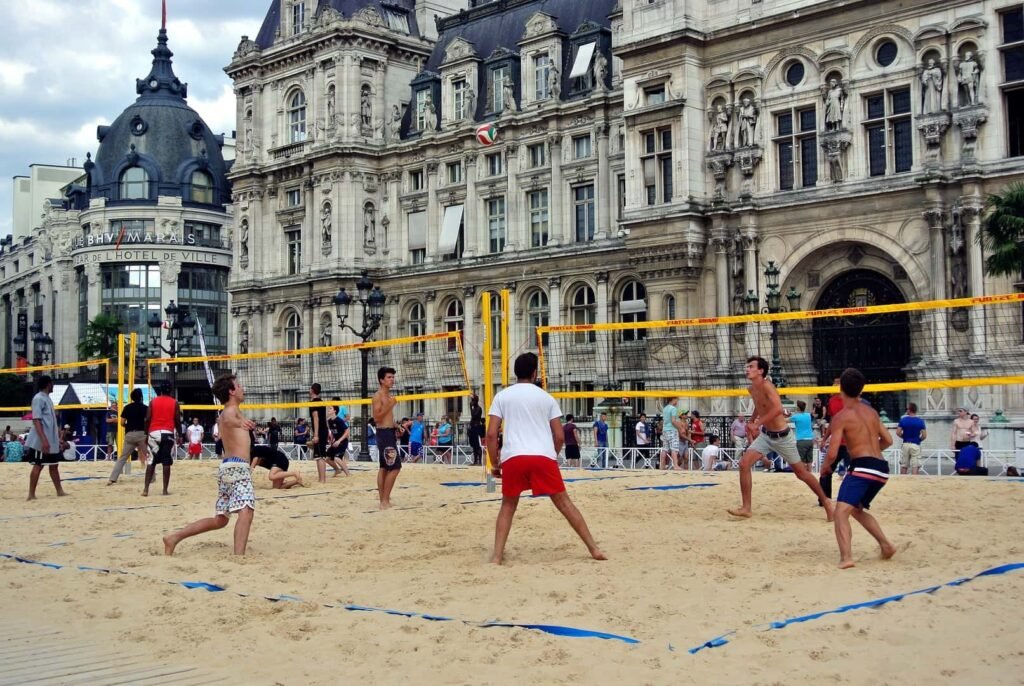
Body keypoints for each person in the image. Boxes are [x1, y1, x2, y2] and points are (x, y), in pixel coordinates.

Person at [487, 353, 606, 564]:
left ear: (516, 373)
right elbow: (559, 436)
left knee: (508, 506)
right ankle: (594, 549)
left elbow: (491, 435)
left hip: (514, 457)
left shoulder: (502, 396)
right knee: (565, 504)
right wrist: (550, 453)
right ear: (535, 373)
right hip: (542, 456)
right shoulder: (546, 398)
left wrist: (494, 463)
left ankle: (497, 557)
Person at [729, 357, 834, 520]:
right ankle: (746, 508)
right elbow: (759, 405)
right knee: (744, 464)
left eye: (751, 366)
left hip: (783, 437)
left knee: (801, 473)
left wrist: (757, 424)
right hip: (766, 436)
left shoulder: (767, 386)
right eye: (747, 366)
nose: (747, 369)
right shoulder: (752, 389)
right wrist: (751, 421)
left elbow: (778, 408)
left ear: (761, 371)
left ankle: (826, 501)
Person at [163, 375, 257, 556]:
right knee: (246, 512)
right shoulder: (231, 412)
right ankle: (239, 557)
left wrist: (240, 422)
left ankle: (174, 537)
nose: (242, 388)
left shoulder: (232, 411)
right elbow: (229, 419)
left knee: (220, 520)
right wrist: (240, 422)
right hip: (237, 469)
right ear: (231, 391)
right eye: (238, 385)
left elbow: (227, 421)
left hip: (228, 468)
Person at [824, 367, 898, 569]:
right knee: (855, 509)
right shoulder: (872, 412)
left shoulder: (841, 416)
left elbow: (832, 454)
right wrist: (871, 453)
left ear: (840, 389)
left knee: (840, 512)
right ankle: (886, 545)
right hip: (881, 468)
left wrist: (825, 468)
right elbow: (889, 440)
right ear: (861, 390)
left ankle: (846, 558)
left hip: (863, 467)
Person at [25, 375, 68, 500]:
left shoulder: (47, 398)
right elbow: (36, 420)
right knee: (38, 465)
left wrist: (58, 437)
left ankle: (59, 491)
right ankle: (31, 494)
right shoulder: (38, 398)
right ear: (48, 384)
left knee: (54, 465)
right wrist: (43, 440)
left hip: (50, 439)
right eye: (52, 383)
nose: (53, 385)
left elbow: (50, 421)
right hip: (41, 440)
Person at [144, 383, 181, 497]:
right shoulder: (174, 402)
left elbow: (148, 418)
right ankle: (164, 490)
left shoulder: (153, 401)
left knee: (151, 461)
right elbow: (177, 420)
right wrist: (180, 434)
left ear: (160, 391)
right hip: (168, 433)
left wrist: (146, 433)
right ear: (170, 391)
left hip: (154, 432)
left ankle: (146, 489)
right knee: (166, 461)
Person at [372, 366, 400, 509]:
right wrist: (390, 405)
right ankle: (384, 501)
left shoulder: (388, 396)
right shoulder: (378, 396)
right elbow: (376, 418)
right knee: (395, 467)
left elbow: (387, 418)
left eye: (393, 377)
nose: (392, 380)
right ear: (382, 380)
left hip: (388, 432)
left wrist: (397, 426)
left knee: (384, 467)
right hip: (384, 434)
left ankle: (383, 500)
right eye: (389, 377)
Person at [108, 388, 148, 484]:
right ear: (141, 397)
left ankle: (112, 478)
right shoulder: (145, 408)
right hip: (142, 434)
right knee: (149, 457)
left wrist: (127, 426)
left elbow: (121, 422)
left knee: (122, 457)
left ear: (132, 397)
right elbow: (147, 421)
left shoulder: (127, 407)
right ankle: (152, 477)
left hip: (129, 434)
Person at [819, 377, 850, 503]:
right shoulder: (832, 401)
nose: (833, 386)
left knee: (856, 472)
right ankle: (824, 499)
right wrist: (824, 438)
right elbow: (833, 421)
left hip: (850, 443)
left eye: (835, 384)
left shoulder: (850, 400)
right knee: (826, 470)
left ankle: (854, 499)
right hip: (838, 442)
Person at [308, 383, 332, 483]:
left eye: (310, 389)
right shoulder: (322, 402)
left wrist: (316, 434)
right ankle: (321, 479)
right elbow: (325, 418)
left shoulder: (313, 402)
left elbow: (316, 418)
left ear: (312, 390)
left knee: (320, 456)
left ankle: (322, 480)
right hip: (324, 430)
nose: (309, 390)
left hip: (320, 431)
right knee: (318, 455)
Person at [896, 402, 926, 475]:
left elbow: (898, 432)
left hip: (905, 444)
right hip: (915, 444)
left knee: (904, 465)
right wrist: (919, 439)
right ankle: (914, 482)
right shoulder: (920, 421)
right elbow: (924, 435)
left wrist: (904, 436)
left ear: (909, 410)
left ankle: (902, 482)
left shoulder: (903, 420)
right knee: (915, 466)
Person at [324, 404, 351, 477]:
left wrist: (339, 441)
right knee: (327, 458)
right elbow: (333, 432)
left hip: (343, 442)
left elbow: (347, 431)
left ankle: (348, 474)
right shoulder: (329, 421)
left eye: (330, 408)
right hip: (335, 442)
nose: (328, 410)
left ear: (334, 411)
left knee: (337, 458)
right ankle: (337, 470)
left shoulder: (339, 420)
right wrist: (331, 441)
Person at [660, 398, 682, 471]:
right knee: (674, 448)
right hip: (672, 430)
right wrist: (680, 428)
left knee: (665, 448)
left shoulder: (665, 408)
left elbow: (664, 420)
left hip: (665, 429)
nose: (677, 401)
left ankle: (662, 465)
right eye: (676, 399)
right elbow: (673, 421)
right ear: (673, 399)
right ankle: (675, 465)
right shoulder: (673, 409)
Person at [793, 400, 815, 467]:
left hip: (801, 440)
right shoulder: (808, 415)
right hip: (810, 439)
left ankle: (804, 474)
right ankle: (810, 473)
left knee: (801, 459)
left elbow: (785, 420)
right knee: (809, 460)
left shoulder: (796, 417)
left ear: (798, 408)